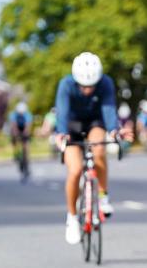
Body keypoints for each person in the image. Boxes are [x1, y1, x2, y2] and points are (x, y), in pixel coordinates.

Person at [54, 52, 133, 244]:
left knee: (98, 150)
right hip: (72, 124)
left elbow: (108, 108)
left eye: (91, 86)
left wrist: (114, 131)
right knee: (75, 170)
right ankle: (72, 218)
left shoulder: (105, 83)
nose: (88, 90)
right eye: (83, 86)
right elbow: (62, 111)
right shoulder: (66, 84)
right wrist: (61, 133)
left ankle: (103, 196)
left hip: (95, 122)